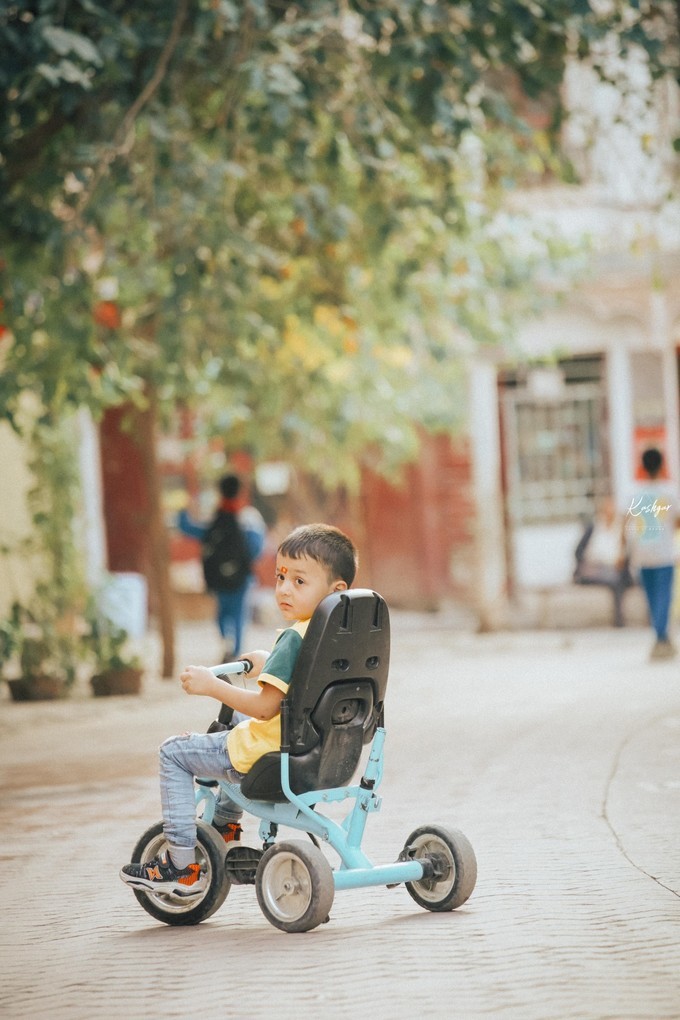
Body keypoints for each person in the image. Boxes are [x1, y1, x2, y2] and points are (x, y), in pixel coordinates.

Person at [120, 523, 358, 895]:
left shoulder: (294, 637)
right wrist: (271, 664)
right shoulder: (339, 637)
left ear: (336, 589)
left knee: (174, 753)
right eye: (280, 577)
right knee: (240, 722)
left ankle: (180, 866)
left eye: (299, 581)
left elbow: (265, 708)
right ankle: (227, 827)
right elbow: (305, 681)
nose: (283, 589)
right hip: (327, 751)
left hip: (273, 753)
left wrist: (211, 686)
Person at [177, 474, 266, 659]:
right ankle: (236, 651)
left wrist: (186, 505)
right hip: (242, 579)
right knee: (239, 616)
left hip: (219, 579)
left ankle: (228, 644)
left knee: (222, 615)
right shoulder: (248, 520)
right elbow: (257, 550)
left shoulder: (214, 522)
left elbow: (186, 527)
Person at [624, 448, 679, 660]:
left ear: (642, 466)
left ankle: (661, 636)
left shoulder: (635, 493)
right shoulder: (670, 492)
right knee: (663, 597)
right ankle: (661, 638)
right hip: (664, 553)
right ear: (662, 465)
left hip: (642, 554)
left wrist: (622, 552)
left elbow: (625, 523)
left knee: (651, 597)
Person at [573, 496, 633, 627]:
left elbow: (625, 553)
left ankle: (619, 620)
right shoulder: (594, 528)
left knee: (617, 579)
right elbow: (579, 552)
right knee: (614, 578)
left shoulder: (620, 529)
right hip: (595, 568)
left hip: (613, 568)